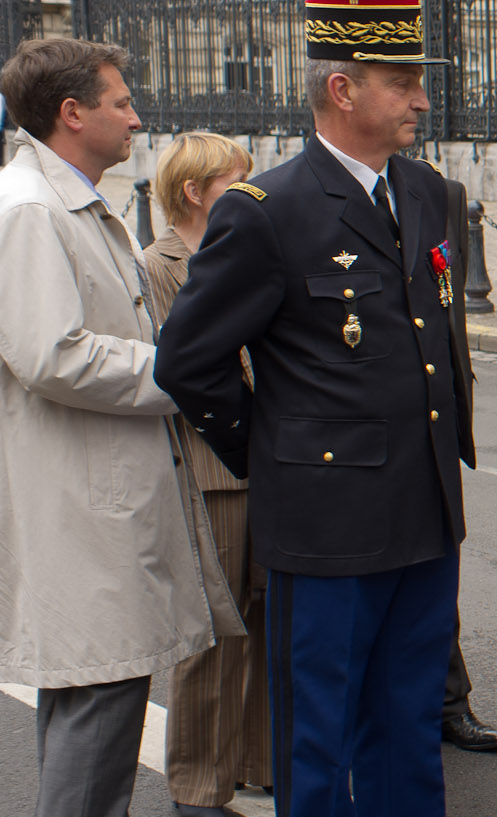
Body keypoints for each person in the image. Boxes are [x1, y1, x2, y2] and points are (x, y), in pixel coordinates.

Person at [155, 1, 473, 811]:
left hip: (427, 506)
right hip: (326, 520)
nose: (422, 101)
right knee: (319, 734)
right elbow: (188, 359)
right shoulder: (266, 210)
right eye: (402, 84)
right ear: (342, 89)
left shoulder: (430, 191)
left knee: (408, 722)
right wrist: (274, 450)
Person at [0, 38, 243, 817]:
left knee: (93, 717)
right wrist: (175, 370)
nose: (136, 117)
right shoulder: (33, 210)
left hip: (97, 506)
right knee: (95, 730)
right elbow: (51, 352)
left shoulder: (63, 199)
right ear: (72, 114)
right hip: (85, 516)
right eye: (119, 101)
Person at [142, 131, 273, 817]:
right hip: (208, 466)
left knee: (267, 620)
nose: (252, 189)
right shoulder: (158, 265)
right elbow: (187, 362)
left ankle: (258, 759)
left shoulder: (244, 253)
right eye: (236, 179)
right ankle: (197, 785)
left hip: (264, 466)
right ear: (195, 191)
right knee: (213, 632)